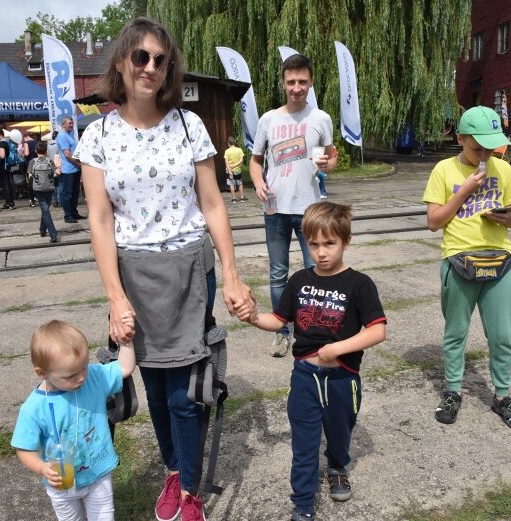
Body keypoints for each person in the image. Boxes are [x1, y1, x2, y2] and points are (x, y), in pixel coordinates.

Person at [74, 17, 254, 521]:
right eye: (141, 57)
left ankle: (191, 491)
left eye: (160, 59)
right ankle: (174, 470)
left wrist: (233, 273)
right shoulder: (98, 136)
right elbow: (101, 220)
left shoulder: (189, 125)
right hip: (133, 274)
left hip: (190, 270)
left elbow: (213, 203)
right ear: (121, 63)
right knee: (152, 388)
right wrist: (115, 297)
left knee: (186, 390)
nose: (151, 67)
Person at [245, 202, 386, 521]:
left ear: (345, 241)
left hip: (343, 378)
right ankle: (303, 506)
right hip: (305, 378)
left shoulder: (359, 284)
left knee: (339, 433)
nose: (321, 252)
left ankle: (337, 466)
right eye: (314, 244)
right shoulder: (298, 280)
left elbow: (378, 330)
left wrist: (338, 349)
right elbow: (280, 319)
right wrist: (254, 317)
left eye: (329, 244)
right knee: (304, 445)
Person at [423, 106, 511, 432]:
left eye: (489, 147)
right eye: (476, 147)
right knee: (456, 333)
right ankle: (453, 390)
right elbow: (433, 222)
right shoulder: (443, 170)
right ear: (460, 138)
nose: (483, 154)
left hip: (500, 260)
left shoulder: (504, 170)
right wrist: (466, 191)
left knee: (501, 335)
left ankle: (502, 396)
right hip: (459, 260)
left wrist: (508, 217)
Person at [249, 53, 337, 358]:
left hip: (310, 210)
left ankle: (311, 331)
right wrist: (258, 182)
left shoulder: (320, 119)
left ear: (311, 82)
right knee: (277, 273)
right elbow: (255, 161)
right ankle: (282, 332)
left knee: (315, 271)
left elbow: (331, 156)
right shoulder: (269, 119)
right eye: (291, 82)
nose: (296, 87)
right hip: (275, 210)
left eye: (302, 81)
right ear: (283, 83)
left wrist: (329, 164)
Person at [11, 319, 136, 521]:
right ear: (42, 372)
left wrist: (127, 342)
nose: (80, 378)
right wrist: (43, 468)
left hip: (98, 472)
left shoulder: (93, 378)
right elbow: (24, 448)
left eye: (84, 367)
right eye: (70, 375)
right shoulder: (34, 408)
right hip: (62, 482)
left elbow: (124, 367)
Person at [29, 141, 60, 243]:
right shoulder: (50, 161)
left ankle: (53, 234)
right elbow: (58, 172)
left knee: (45, 210)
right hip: (50, 188)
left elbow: (29, 175)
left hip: (38, 189)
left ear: (35, 151)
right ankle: (43, 230)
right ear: (46, 151)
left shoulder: (33, 162)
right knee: (45, 210)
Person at [56, 117, 84, 223]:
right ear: (63, 124)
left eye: (72, 123)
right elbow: (67, 155)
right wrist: (79, 164)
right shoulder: (62, 136)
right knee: (67, 193)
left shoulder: (70, 135)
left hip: (74, 168)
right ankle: (68, 215)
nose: (71, 125)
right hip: (68, 169)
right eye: (69, 123)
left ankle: (74, 213)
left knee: (75, 192)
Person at [0, 127, 17, 210]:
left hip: (3, 165)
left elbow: (2, 156)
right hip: (8, 165)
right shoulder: (7, 141)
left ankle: (8, 203)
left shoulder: (1, 143)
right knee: (9, 183)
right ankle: (11, 202)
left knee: (5, 184)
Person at [223, 136, 245, 203]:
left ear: (228, 143)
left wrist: (230, 170)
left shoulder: (227, 151)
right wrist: (235, 166)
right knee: (240, 183)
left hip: (229, 170)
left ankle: (234, 199)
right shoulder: (239, 150)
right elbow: (241, 160)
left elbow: (226, 162)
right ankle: (242, 198)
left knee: (231, 184)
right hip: (238, 170)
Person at [23, 132, 41, 208]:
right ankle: (40, 199)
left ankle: (32, 201)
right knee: (38, 181)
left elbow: (26, 154)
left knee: (30, 183)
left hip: (30, 164)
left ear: (26, 137)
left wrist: (23, 155)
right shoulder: (38, 142)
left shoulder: (26, 143)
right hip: (38, 163)